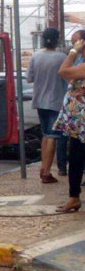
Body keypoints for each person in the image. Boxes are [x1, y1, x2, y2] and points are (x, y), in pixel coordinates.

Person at [26, 28, 68, 182]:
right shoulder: (62, 57)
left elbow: (29, 78)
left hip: (39, 100)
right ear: (57, 40)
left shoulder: (36, 55)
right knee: (52, 136)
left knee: (45, 134)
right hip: (56, 100)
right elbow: (67, 77)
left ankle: (43, 167)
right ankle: (46, 173)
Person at [53, 38, 85, 213]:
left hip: (82, 124)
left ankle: (74, 197)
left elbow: (63, 71)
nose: (75, 44)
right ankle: (73, 197)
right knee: (75, 159)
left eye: (77, 41)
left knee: (76, 159)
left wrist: (73, 52)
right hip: (78, 124)